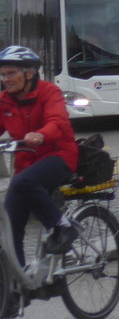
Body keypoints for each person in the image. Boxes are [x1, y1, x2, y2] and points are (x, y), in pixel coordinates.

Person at [0, 46, 80, 266]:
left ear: (29, 73)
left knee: (22, 182)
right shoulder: (4, 100)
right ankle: (17, 281)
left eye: (11, 73)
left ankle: (62, 226)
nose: (6, 79)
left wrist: (41, 134)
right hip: (27, 164)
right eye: (3, 75)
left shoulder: (49, 92)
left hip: (58, 156)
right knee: (10, 225)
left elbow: (58, 121)